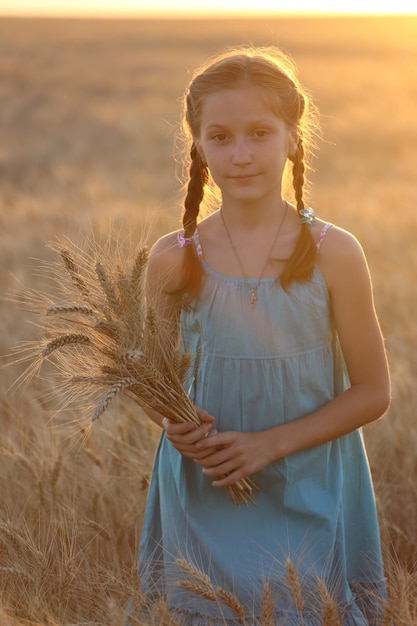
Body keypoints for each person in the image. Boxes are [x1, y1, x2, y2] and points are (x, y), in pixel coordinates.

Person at [137, 46, 391, 625]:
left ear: (293, 139)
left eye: (259, 132)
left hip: (309, 484)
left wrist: (268, 445)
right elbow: (147, 377)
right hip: (206, 487)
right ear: (197, 145)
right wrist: (172, 422)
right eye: (220, 137)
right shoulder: (174, 259)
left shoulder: (335, 253)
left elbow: (374, 392)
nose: (241, 154)